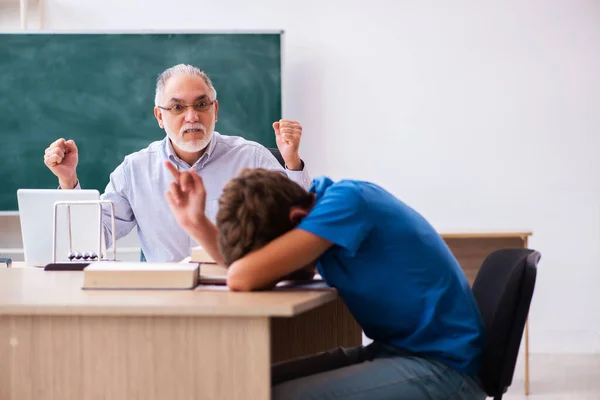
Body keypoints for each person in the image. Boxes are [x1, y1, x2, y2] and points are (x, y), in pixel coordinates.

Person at [164, 166, 487, 399]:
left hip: (445, 370)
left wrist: (236, 255)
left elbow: (243, 276)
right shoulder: (319, 209)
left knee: (273, 396)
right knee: (250, 386)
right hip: (398, 353)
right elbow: (252, 271)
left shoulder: (348, 202)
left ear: (297, 221)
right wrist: (196, 222)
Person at [42, 64, 311, 262]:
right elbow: (90, 242)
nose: (192, 117)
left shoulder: (251, 158)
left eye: (201, 104)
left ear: (215, 110)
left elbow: (298, 227)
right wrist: (67, 181)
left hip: (236, 289)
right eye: (178, 107)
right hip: (164, 298)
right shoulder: (134, 171)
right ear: (160, 116)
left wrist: (291, 163)